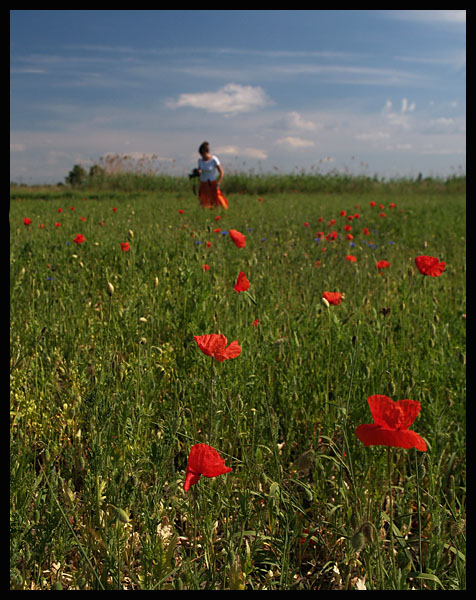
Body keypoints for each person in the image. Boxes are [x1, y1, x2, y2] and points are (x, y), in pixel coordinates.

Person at [197, 142, 229, 209]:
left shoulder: (214, 159)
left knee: (218, 199)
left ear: (207, 152)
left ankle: (223, 211)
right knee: (204, 201)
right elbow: (200, 170)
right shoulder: (200, 160)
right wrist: (197, 172)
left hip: (211, 183)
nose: (202, 156)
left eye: (203, 154)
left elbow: (221, 173)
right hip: (203, 184)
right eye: (201, 154)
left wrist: (218, 183)